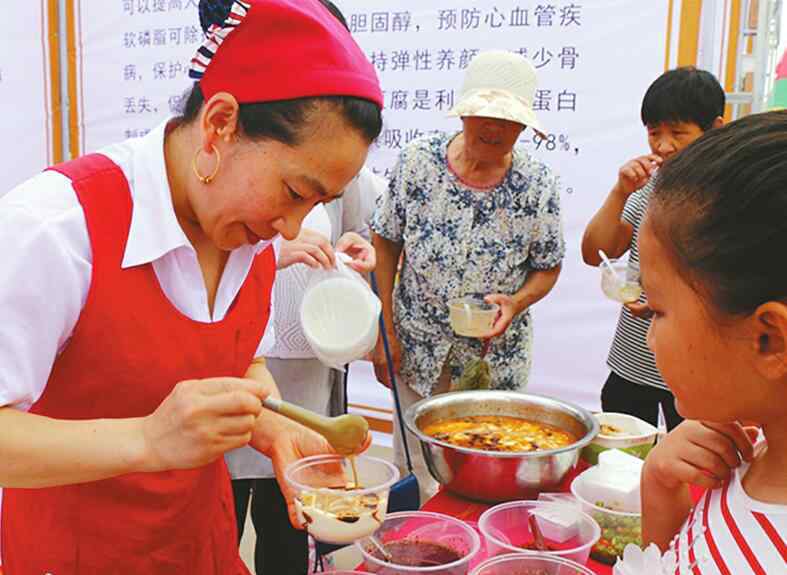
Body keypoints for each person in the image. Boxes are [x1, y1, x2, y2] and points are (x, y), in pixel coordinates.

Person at [0, 0, 382, 572]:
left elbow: (238, 362)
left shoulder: (246, 233)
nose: (292, 227)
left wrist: (276, 430)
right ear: (221, 124)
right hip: (79, 555)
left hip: (199, 546)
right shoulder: (58, 226)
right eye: (295, 192)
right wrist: (150, 441)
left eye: (319, 203)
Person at [371, 50, 565, 500]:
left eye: (507, 120)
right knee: (416, 462)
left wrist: (516, 302)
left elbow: (548, 267)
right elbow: (385, 241)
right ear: (464, 113)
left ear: (523, 127)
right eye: (483, 114)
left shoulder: (537, 185)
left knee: (486, 466)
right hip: (416, 348)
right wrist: (386, 329)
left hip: (492, 361)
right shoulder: (419, 163)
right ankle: (417, 556)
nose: (493, 128)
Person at [638, 110, 787, 572]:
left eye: (658, 310)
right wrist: (660, 485)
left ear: (769, 341)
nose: (648, 338)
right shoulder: (761, 447)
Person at [226, 168, 385, 575]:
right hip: (232, 361)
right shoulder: (230, 167)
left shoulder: (336, 161)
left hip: (310, 356)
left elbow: (367, 227)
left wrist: (359, 246)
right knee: (224, 509)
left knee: (292, 510)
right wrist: (269, 254)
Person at [581, 67, 725, 430]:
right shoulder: (648, 185)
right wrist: (619, 192)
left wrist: (673, 303)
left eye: (678, 133)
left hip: (699, 368)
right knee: (621, 463)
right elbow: (595, 251)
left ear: (716, 128)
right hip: (633, 360)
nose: (663, 146)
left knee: (695, 467)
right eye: (654, 132)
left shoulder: (732, 193)